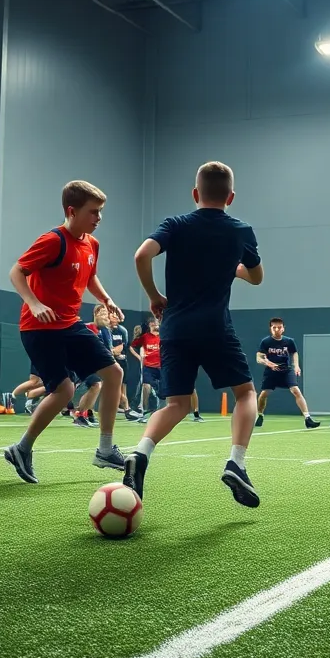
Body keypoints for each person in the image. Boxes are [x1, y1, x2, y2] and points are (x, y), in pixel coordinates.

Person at [123, 161, 263, 507]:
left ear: (195, 193)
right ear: (230, 196)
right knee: (246, 393)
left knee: (176, 404)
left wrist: (154, 296)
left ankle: (140, 454)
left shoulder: (176, 224)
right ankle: (236, 463)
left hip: (174, 328)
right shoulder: (241, 230)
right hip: (216, 328)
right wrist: (233, 266)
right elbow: (257, 277)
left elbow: (142, 255)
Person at [1, 181, 126, 484]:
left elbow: (90, 275)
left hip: (70, 323)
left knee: (114, 373)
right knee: (64, 390)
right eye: (93, 212)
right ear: (72, 211)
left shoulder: (91, 244)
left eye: (101, 212)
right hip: (40, 328)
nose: (99, 218)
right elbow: (17, 271)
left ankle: (106, 449)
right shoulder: (52, 241)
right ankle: (22, 448)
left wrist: (106, 299)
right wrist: (33, 302)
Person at [256, 317, 318, 429]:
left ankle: (308, 418)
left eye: (279, 327)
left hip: (286, 370)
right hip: (271, 371)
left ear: (283, 329)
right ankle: (260, 415)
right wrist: (268, 363)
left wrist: (296, 366)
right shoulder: (266, 342)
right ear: (271, 329)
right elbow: (259, 357)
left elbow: (294, 353)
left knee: (296, 390)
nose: (276, 329)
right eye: (274, 327)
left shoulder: (289, 341)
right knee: (264, 394)